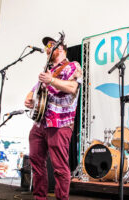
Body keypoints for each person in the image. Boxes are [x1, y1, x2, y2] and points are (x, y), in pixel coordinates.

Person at [25, 35, 82, 200]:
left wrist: (52, 80)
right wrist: (29, 97)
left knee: (59, 167)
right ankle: (39, 197)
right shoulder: (48, 70)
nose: (47, 49)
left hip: (60, 123)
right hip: (40, 122)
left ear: (60, 48)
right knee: (36, 162)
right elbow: (35, 89)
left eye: (50, 45)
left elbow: (72, 87)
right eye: (46, 47)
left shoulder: (72, 66)